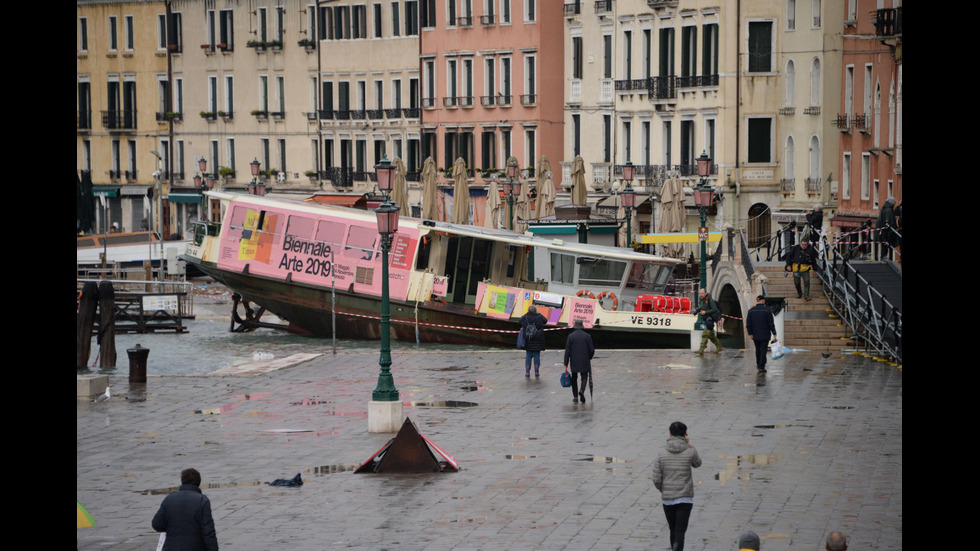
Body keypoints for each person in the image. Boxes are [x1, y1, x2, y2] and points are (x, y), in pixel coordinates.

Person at [652, 421, 702, 551]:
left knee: (672, 530)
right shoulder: (690, 451)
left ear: (669, 433)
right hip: (685, 498)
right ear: (685, 434)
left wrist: (664, 490)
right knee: (680, 532)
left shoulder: (661, 453)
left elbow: (656, 478)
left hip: (668, 499)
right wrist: (689, 444)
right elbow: (698, 464)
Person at [152, 468, 219, 551]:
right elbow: (208, 532)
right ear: (198, 482)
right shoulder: (202, 501)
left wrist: (172, 528)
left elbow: (156, 524)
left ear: (182, 481)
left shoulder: (169, 499)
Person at [563, 319, 594, 403]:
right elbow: (592, 350)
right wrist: (589, 357)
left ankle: (575, 396)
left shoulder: (570, 336)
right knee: (584, 377)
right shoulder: (587, 336)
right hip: (585, 360)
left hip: (574, 360)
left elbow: (567, 351)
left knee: (574, 378)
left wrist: (566, 362)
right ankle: (582, 390)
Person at [745, 295, 777, 373]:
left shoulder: (751, 311)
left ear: (757, 301)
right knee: (763, 350)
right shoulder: (767, 310)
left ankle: (758, 364)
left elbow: (748, 323)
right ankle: (761, 366)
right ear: (763, 301)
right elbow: (770, 323)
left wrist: (750, 333)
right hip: (765, 334)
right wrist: (774, 332)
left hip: (755, 334)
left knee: (758, 349)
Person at [519, 305, 547, 377]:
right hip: (538, 340)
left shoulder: (526, 317)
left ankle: (527, 372)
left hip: (528, 339)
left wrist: (527, 313)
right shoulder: (539, 317)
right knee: (537, 356)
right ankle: (536, 371)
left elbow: (520, 320)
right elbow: (545, 321)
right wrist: (538, 313)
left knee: (528, 356)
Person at [695, 288, 723, 355]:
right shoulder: (701, 300)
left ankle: (701, 349)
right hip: (705, 319)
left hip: (710, 319)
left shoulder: (710, 300)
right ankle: (719, 347)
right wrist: (697, 311)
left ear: (705, 293)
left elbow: (715, 310)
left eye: (702, 293)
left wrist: (706, 312)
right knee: (711, 335)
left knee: (705, 334)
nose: (700, 295)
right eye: (700, 293)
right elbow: (702, 307)